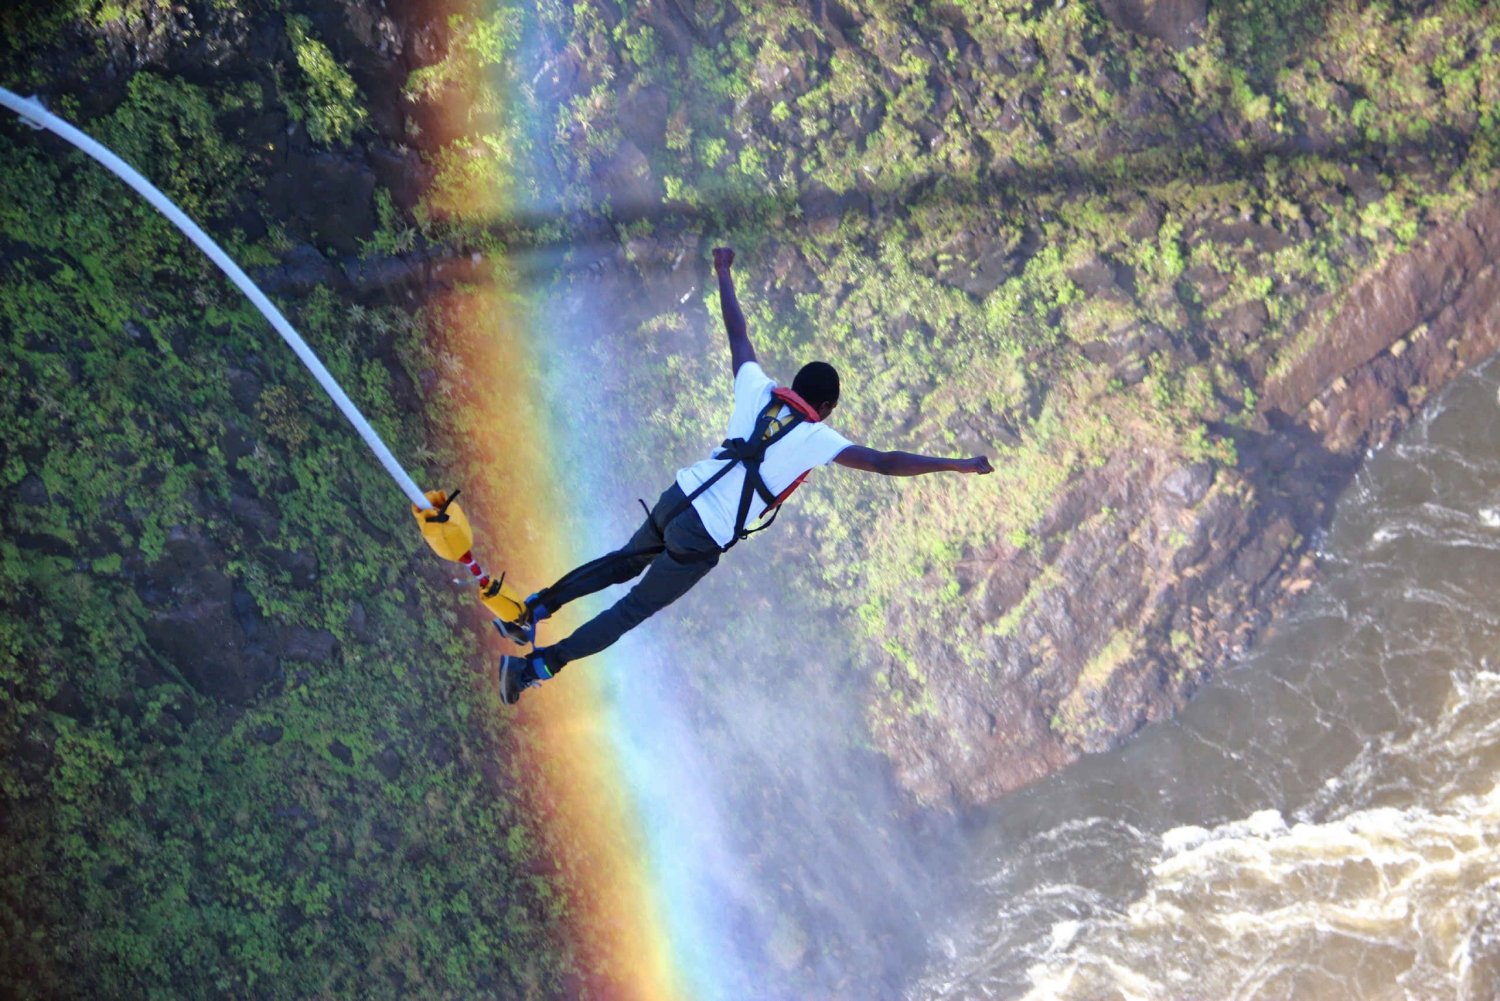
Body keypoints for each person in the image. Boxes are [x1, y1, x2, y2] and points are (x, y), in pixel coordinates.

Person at [497, 247, 993, 704]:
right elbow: (885, 462)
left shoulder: (759, 389)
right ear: (825, 407)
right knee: (629, 611)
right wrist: (959, 465)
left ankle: (532, 610)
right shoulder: (818, 437)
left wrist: (723, 271)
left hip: (682, 493)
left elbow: (738, 334)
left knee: (621, 561)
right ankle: (535, 667)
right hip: (702, 535)